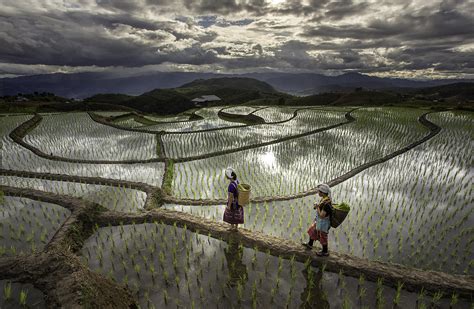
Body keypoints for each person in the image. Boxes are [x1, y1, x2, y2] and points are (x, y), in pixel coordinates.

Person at [302, 184, 333, 256]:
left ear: (322, 192)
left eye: (319, 191)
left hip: (323, 223)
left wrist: (317, 207)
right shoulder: (324, 199)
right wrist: (318, 206)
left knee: (323, 237)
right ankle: (310, 244)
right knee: (313, 230)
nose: (318, 193)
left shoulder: (327, 204)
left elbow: (322, 216)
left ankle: (325, 252)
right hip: (319, 221)